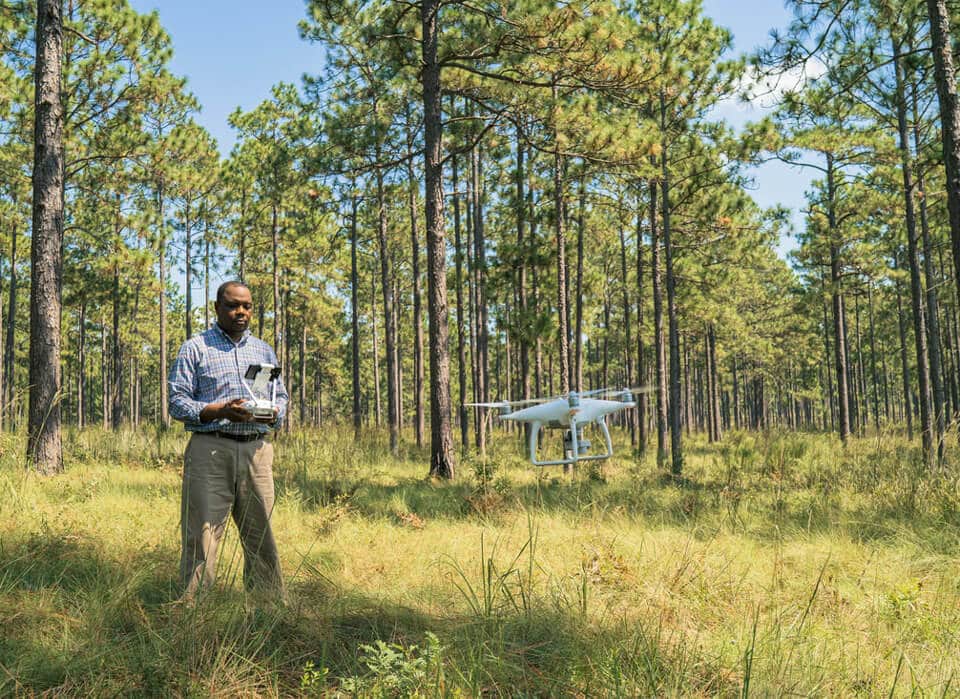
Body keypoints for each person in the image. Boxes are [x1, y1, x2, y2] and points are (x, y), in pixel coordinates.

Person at [168, 280, 289, 601]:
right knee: (202, 533)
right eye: (233, 305)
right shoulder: (196, 348)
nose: (241, 312)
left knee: (261, 534)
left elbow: (280, 397)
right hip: (211, 449)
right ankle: (193, 608)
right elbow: (177, 402)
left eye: (247, 306)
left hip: (257, 452)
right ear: (217, 308)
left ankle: (269, 608)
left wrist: (274, 413)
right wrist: (219, 410)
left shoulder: (262, 351)